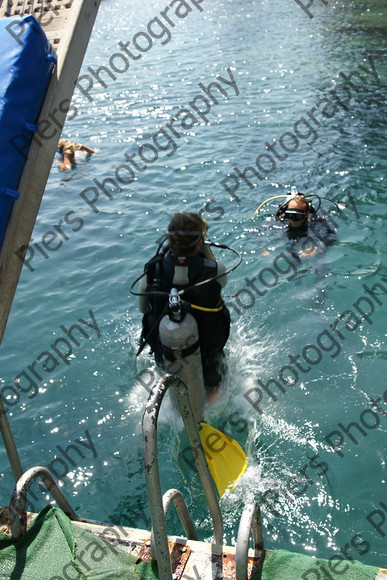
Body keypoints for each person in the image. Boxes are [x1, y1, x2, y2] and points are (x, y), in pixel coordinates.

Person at [138, 212, 231, 401]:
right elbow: (221, 283)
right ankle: (209, 405)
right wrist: (203, 248)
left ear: (169, 240)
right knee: (213, 386)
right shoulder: (215, 269)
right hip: (208, 348)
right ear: (200, 241)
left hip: (166, 348)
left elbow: (142, 308)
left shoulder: (153, 270)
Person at [275, 192, 337, 259]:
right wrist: (262, 248)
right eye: (290, 215)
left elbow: (331, 237)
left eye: (298, 216)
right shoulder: (281, 220)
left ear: (307, 214)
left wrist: (316, 248)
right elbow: (263, 231)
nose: (293, 220)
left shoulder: (316, 221)